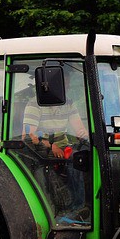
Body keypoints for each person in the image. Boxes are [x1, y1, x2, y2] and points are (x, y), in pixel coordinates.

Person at [22, 82, 90, 226]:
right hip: (39, 149)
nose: (69, 87)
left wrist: (84, 134)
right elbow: (29, 135)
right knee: (74, 160)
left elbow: (79, 128)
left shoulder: (68, 103)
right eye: (65, 84)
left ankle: (87, 206)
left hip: (62, 146)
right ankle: (76, 207)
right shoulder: (34, 104)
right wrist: (51, 145)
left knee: (85, 155)